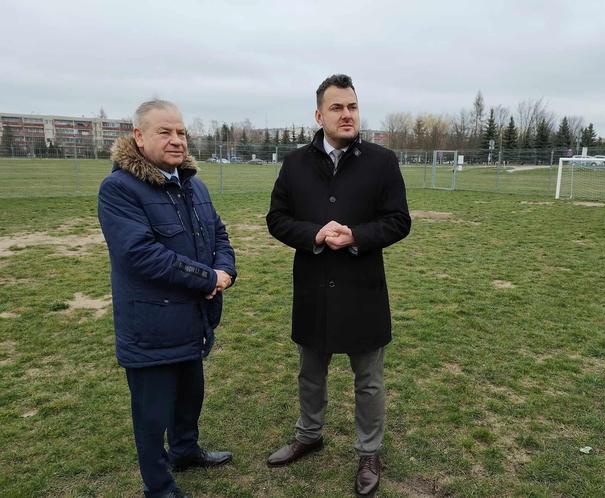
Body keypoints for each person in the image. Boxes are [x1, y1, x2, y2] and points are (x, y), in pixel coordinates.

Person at [266, 74, 411, 496]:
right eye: (337, 107)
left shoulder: (382, 161)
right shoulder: (295, 163)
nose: (347, 115)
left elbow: (399, 221)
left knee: (368, 380)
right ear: (319, 114)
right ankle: (308, 435)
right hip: (313, 287)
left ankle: (369, 452)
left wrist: (357, 236)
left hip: (363, 288)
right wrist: (313, 234)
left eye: (352, 107)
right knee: (310, 375)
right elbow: (277, 219)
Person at [98, 99, 236, 498]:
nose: (177, 140)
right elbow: (140, 255)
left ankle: (185, 451)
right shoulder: (119, 189)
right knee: (151, 414)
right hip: (150, 327)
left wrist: (223, 272)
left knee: (190, 397)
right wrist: (206, 277)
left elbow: (219, 235)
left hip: (193, 319)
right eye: (165, 132)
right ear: (138, 137)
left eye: (181, 132)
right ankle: (158, 487)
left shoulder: (194, 185)